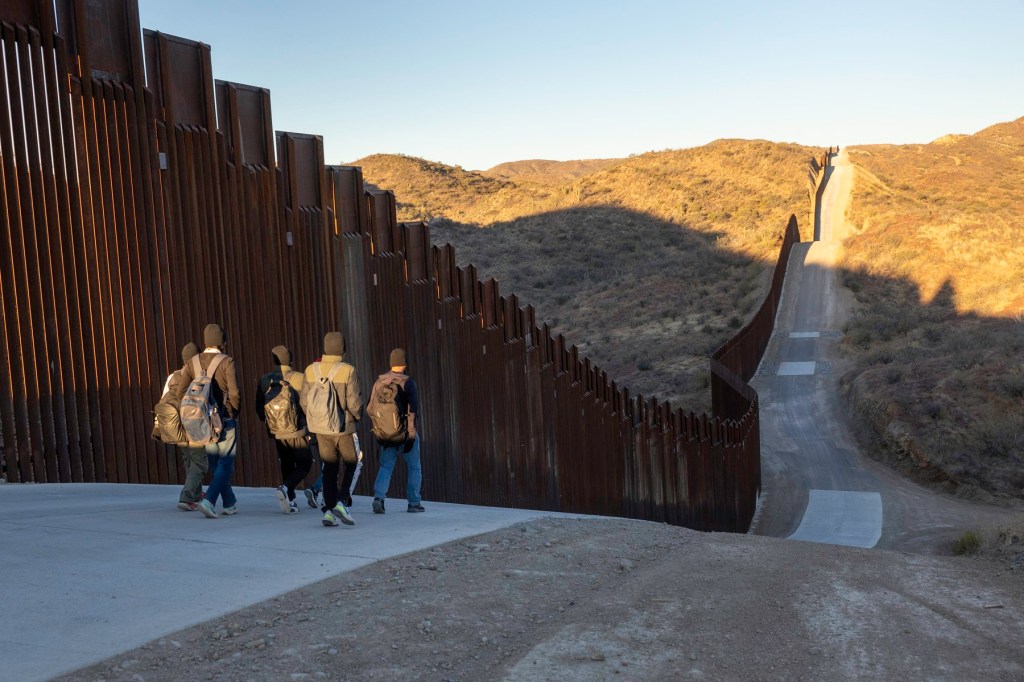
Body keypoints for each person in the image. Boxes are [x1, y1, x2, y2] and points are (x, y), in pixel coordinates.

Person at [180, 323, 241, 519]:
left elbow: (181, 392)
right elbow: (234, 393)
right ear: (222, 342)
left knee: (216, 463)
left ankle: (230, 502)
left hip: (202, 422)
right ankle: (209, 500)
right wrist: (233, 413)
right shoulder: (226, 361)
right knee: (226, 463)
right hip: (223, 418)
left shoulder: (193, 362)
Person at [301, 332, 360, 527]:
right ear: (342, 348)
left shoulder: (310, 370)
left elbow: (304, 401)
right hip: (343, 429)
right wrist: (355, 418)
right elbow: (354, 402)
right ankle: (342, 502)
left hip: (320, 428)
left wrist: (316, 419)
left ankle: (328, 512)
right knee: (352, 463)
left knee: (329, 468)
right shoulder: (348, 370)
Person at [255, 345, 312, 514]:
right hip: (297, 429)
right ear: (291, 360)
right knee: (305, 462)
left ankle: (291, 499)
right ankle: (286, 487)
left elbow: (259, 407)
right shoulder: (300, 378)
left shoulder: (265, 380)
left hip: (276, 431)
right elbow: (307, 404)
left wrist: (270, 423)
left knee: (286, 463)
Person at [370, 348, 424, 514]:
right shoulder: (408, 383)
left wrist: (380, 428)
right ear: (405, 363)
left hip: (386, 435)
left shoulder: (380, 382)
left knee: (386, 466)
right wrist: (411, 434)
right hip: (406, 433)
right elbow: (412, 411)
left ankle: (379, 498)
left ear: (391, 363)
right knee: (414, 467)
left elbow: (370, 409)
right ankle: (413, 503)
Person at [154, 342, 207, 511]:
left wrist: (157, 426)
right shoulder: (200, 375)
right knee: (199, 463)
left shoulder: (173, 376)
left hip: (176, 423)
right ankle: (186, 497)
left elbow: (163, 399)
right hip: (193, 423)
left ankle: (196, 494)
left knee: (188, 460)